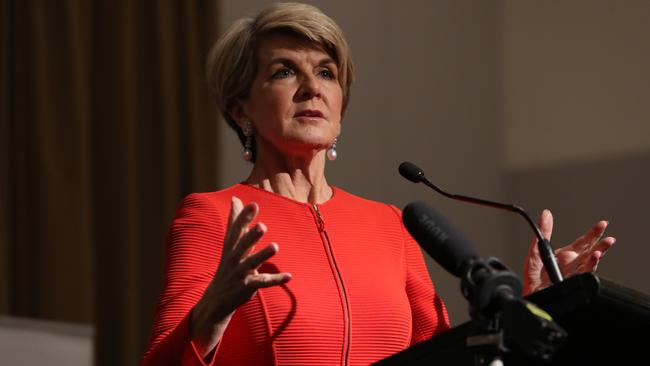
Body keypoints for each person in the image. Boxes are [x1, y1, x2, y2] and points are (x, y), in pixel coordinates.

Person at [141, 3, 616, 365]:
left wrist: (531, 307)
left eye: (326, 73)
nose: (312, 86)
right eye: (285, 71)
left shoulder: (391, 225)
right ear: (240, 108)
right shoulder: (212, 216)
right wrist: (210, 316)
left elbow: (446, 357)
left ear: (340, 108)